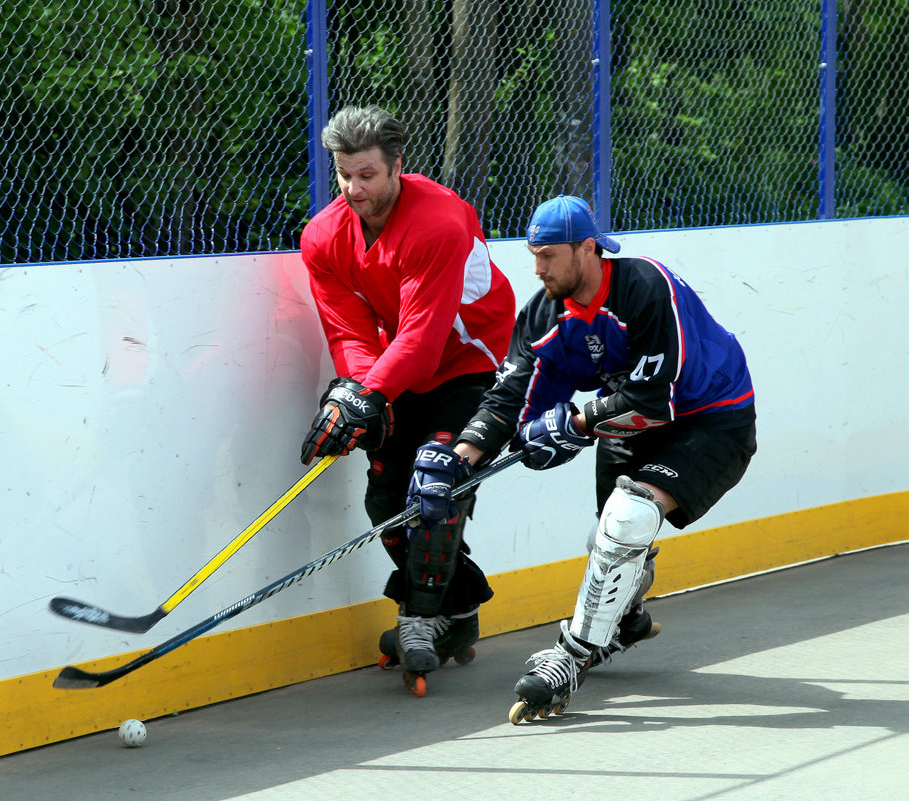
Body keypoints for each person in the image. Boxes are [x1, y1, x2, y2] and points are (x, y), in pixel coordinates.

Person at [407, 194, 756, 720]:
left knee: (629, 515)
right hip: (628, 423)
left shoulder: (645, 287)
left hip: (713, 420)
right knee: (609, 541)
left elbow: (652, 400)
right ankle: (627, 618)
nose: (538, 267)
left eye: (549, 255)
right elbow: (510, 399)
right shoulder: (545, 315)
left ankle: (571, 655)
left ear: (588, 249)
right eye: (534, 254)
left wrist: (571, 424)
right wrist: (458, 459)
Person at [298, 105, 516, 696]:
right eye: (344, 174)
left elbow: (423, 340)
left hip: (469, 361)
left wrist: (368, 394)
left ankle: (421, 621)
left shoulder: (439, 222)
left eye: (367, 174)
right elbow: (347, 332)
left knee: (435, 483)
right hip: (399, 371)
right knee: (386, 502)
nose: (353, 189)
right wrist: (354, 396)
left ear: (398, 166)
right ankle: (459, 603)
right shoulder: (321, 237)